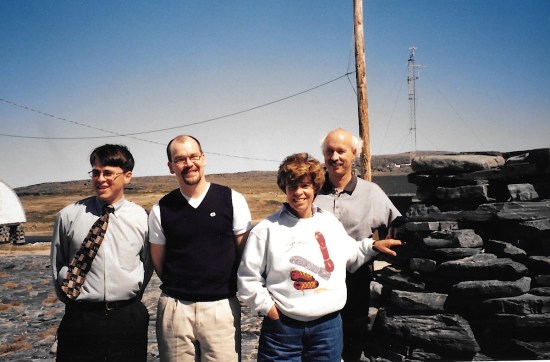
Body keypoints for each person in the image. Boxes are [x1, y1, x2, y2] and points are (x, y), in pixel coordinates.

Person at [237, 153, 401, 361]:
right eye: (291, 186)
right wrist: (269, 310)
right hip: (283, 330)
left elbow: (351, 253)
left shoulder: (329, 223)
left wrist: (374, 245)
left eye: (305, 185)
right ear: (284, 189)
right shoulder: (267, 230)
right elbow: (248, 279)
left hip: (327, 329)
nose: (298, 193)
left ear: (315, 187)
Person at [148, 135, 253, 362]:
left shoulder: (232, 200)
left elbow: (243, 253)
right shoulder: (160, 209)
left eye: (194, 156)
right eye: (180, 159)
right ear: (170, 166)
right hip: (175, 311)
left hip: (221, 308)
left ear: (203, 158)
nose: (189, 164)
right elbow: (159, 260)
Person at [51, 144, 152, 361]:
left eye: (108, 173)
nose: (100, 179)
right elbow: (57, 265)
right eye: (95, 172)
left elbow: (147, 264)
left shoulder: (142, 218)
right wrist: (73, 300)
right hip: (81, 318)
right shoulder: (68, 216)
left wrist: (128, 299)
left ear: (127, 176)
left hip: (127, 318)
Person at [315, 128, 405, 361]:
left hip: (355, 278)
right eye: (329, 151)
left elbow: (398, 224)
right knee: (319, 343)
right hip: (317, 279)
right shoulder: (312, 192)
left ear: (354, 153)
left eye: (341, 151)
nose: (334, 157)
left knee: (352, 342)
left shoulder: (371, 192)